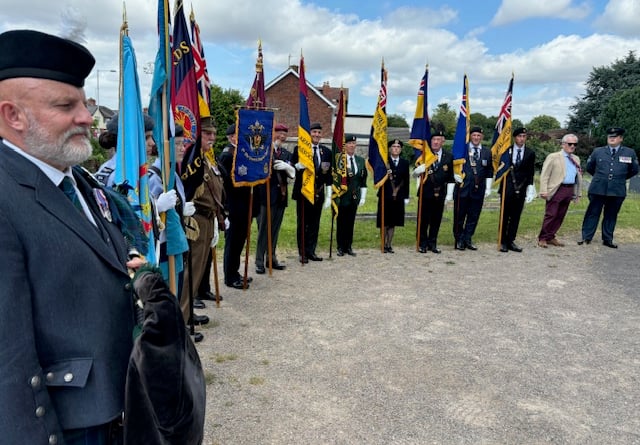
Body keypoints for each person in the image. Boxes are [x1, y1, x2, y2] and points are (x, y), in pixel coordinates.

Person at [0, 29, 138, 444]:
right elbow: (7, 354)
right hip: (62, 424)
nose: (86, 116)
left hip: (116, 403)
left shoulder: (75, 178)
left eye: (82, 103)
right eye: (66, 106)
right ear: (13, 115)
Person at [579, 127, 639, 248]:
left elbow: (634, 170)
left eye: (615, 136)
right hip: (598, 188)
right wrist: (601, 178)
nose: (611, 138)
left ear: (621, 138)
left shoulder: (629, 152)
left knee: (611, 215)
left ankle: (607, 239)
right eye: (609, 136)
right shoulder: (598, 151)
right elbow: (590, 168)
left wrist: (619, 179)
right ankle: (586, 237)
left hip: (617, 190)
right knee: (592, 213)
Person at [255, 122, 295, 274]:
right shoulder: (264, 150)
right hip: (265, 197)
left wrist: (287, 167)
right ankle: (259, 261)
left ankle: (271, 258)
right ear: (273, 134)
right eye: (279, 133)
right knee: (264, 230)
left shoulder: (285, 153)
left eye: (284, 134)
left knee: (275, 230)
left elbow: (292, 173)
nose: (282, 136)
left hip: (281, 197)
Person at [291, 121, 332, 262]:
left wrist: (329, 195)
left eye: (319, 133)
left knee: (315, 223)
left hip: (319, 193)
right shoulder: (300, 149)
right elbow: (291, 168)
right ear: (309, 134)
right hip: (304, 192)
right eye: (314, 132)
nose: (316, 135)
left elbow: (329, 175)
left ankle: (311, 251)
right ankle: (302, 252)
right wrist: (298, 166)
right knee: (303, 223)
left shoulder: (326, 152)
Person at [219, 123, 253, 287]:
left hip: (243, 205)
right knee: (232, 242)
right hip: (233, 206)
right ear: (232, 136)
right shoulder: (227, 155)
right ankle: (230, 277)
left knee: (240, 240)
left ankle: (235, 271)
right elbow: (226, 184)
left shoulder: (240, 153)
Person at [537, 134, 583, 248]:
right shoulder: (553, 157)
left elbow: (578, 178)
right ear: (563, 144)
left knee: (560, 215)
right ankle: (542, 238)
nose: (572, 146)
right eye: (570, 144)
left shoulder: (576, 159)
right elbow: (545, 174)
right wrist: (543, 190)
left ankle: (551, 236)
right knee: (551, 214)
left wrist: (578, 194)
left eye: (575, 144)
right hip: (557, 189)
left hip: (569, 189)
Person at [452, 126, 493, 250]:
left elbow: (489, 171)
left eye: (478, 136)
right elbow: (453, 164)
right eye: (474, 135)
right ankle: (459, 239)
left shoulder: (487, 152)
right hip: (462, 189)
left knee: (473, 216)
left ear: (482, 137)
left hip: (478, 190)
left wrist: (488, 188)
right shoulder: (462, 150)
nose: (476, 138)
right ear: (470, 136)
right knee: (459, 216)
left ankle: (468, 238)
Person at [412, 129, 453, 254]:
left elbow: (450, 177)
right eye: (433, 140)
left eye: (438, 140)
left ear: (443, 142)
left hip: (440, 193)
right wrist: (417, 171)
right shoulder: (424, 155)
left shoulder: (448, 156)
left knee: (436, 219)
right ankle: (422, 243)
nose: (435, 142)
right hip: (426, 192)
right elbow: (414, 174)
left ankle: (432, 243)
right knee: (423, 219)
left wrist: (449, 194)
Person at [496, 127, 536, 252]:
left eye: (524, 136)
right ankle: (502, 240)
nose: (522, 139)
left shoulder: (530, 153)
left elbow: (530, 172)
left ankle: (510, 240)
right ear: (514, 138)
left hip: (521, 187)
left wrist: (530, 187)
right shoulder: (507, 151)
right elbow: (501, 169)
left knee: (516, 215)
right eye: (519, 136)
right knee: (505, 214)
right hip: (507, 187)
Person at [335, 134, 368, 256]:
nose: (352, 146)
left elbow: (363, 180)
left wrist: (363, 196)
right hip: (342, 197)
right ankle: (340, 247)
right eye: (349, 143)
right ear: (345, 145)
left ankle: (348, 246)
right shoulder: (340, 161)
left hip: (354, 197)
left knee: (350, 222)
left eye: (354, 143)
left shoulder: (360, 161)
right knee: (341, 222)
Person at [377, 138, 410, 253]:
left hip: (398, 196)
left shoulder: (405, 163)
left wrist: (406, 196)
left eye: (398, 147)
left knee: (393, 222)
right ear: (390, 149)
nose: (396, 149)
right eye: (393, 147)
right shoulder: (384, 161)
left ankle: (389, 244)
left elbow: (406, 180)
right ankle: (382, 244)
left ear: (400, 150)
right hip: (385, 195)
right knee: (384, 221)